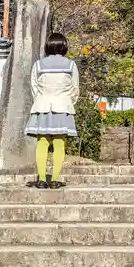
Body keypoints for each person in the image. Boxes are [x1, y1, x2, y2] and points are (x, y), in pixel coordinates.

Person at [25, 33, 79, 189]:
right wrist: (68, 102)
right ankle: (55, 179)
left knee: (42, 143)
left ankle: (41, 179)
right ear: (64, 46)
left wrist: (41, 99)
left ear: (48, 46)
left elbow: (34, 87)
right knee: (59, 144)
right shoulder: (70, 65)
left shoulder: (38, 65)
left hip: (42, 106)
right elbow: (75, 89)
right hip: (63, 106)